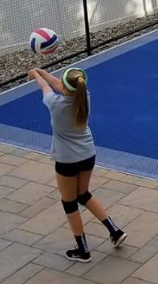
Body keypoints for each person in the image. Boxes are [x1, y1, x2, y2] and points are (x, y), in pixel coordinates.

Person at [27, 67, 127, 262]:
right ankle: (114, 230)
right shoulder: (84, 97)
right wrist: (41, 71)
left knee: (69, 202)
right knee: (84, 194)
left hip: (66, 160)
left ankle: (83, 249)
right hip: (88, 154)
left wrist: (36, 75)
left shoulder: (54, 103)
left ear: (65, 86)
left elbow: (46, 87)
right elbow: (58, 85)